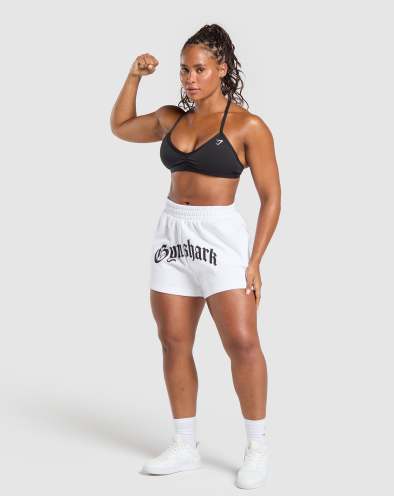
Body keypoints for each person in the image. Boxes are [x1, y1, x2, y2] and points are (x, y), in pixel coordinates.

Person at [110, 23, 281, 490]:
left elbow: (271, 198)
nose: (190, 78)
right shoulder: (173, 118)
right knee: (173, 340)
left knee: (242, 342)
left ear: (222, 69)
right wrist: (133, 77)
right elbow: (121, 127)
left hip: (220, 237)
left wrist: (255, 261)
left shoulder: (248, 126)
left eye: (200, 69)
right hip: (172, 234)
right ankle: (185, 445)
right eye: (184, 70)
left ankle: (257, 447)